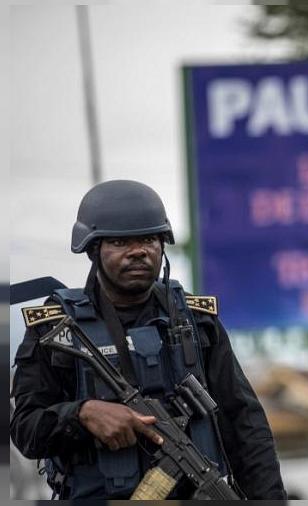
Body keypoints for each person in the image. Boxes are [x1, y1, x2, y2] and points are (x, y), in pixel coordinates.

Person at [10, 180, 286, 499]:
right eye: (120, 242)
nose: (139, 251)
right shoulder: (55, 328)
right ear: (93, 250)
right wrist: (82, 414)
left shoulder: (197, 322)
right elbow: (25, 430)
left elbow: (246, 427)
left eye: (149, 239)